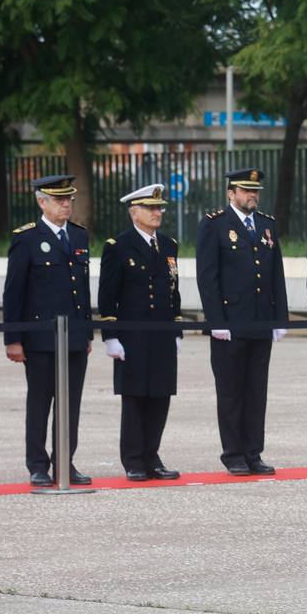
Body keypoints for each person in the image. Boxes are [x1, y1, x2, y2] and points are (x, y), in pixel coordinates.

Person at [3, 175, 95, 486]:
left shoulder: (79, 237)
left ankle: (65, 463)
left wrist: (86, 333)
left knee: (71, 404)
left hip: (73, 335)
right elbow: (13, 292)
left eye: (69, 198)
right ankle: (38, 464)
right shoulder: (27, 238)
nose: (66, 204)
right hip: (40, 338)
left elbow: (82, 290)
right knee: (40, 402)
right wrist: (13, 338)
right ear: (42, 202)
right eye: (59, 199)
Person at [197, 167, 288, 475]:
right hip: (230, 322)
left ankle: (253, 452)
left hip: (261, 319)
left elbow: (276, 273)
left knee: (256, 390)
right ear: (231, 193)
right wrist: (216, 321)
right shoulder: (215, 225)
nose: (252, 195)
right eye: (246, 190)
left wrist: (280, 318)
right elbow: (208, 277)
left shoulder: (266, 225)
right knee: (231, 389)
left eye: (256, 190)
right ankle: (233, 452)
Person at [98, 185, 183, 481]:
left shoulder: (169, 245)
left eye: (159, 208)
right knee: (135, 397)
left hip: (161, 332)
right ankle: (133, 459)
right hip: (132, 335)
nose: (157, 213)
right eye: (150, 208)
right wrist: (110, 335)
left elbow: (174, 290)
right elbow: (108, 294)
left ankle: (152, 455)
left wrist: (176, 328)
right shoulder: (118, 246)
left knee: (160, 395)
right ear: (134, 212)